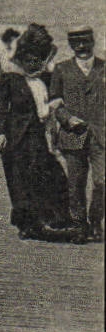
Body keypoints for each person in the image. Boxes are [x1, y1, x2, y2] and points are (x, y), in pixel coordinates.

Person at [0, 25, 74, 240]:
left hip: (42, 137)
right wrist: (0, 133)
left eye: (37, 59)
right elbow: (1, 106)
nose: (33, 63)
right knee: (20, 181)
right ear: (22, 58)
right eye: (29, 59)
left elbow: (56, 99)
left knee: (45, 176)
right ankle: (27, 224)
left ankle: (50, 218)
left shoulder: (46, 78)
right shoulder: (10, 79)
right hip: (17, 138)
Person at [49, 27, 104, 241]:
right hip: (73, 135)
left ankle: (96, 220)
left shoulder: (103, 67)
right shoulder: (62, 69)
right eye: (76, 43)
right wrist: (66, 119)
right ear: (71, 45)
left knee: (102, 182)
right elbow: (55, 102)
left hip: (101, 135)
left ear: (93, 41)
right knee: (76, 184)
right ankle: (80, 225)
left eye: (85, 42)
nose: (81, 47)